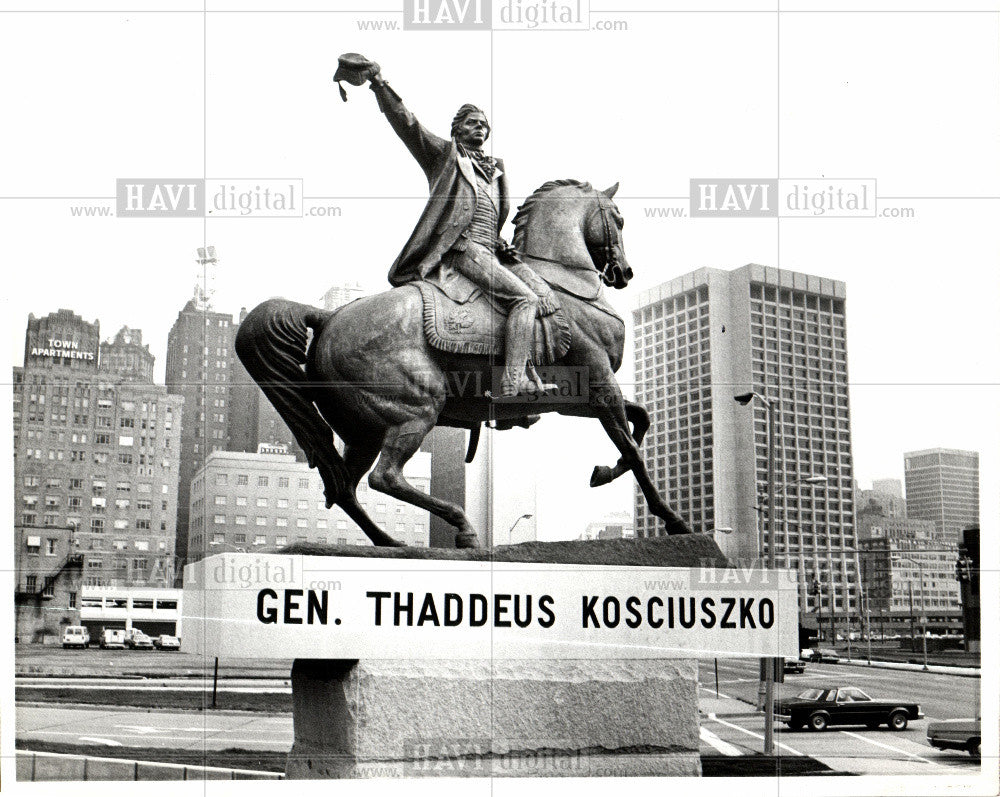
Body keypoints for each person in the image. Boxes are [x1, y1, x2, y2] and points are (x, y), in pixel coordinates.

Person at [343, 55, 557, 397]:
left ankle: (517, 386)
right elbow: (407, 124)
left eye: (484, 125)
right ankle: (513, 383)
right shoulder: (445, 157)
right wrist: (379, 83)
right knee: (525, 300)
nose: (480, 129)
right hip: (462, 250)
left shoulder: (497, 170)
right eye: (472, 123)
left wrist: (501, 241)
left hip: (491, 250)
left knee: (547, 295)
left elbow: (489, 216)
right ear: (457, 129)